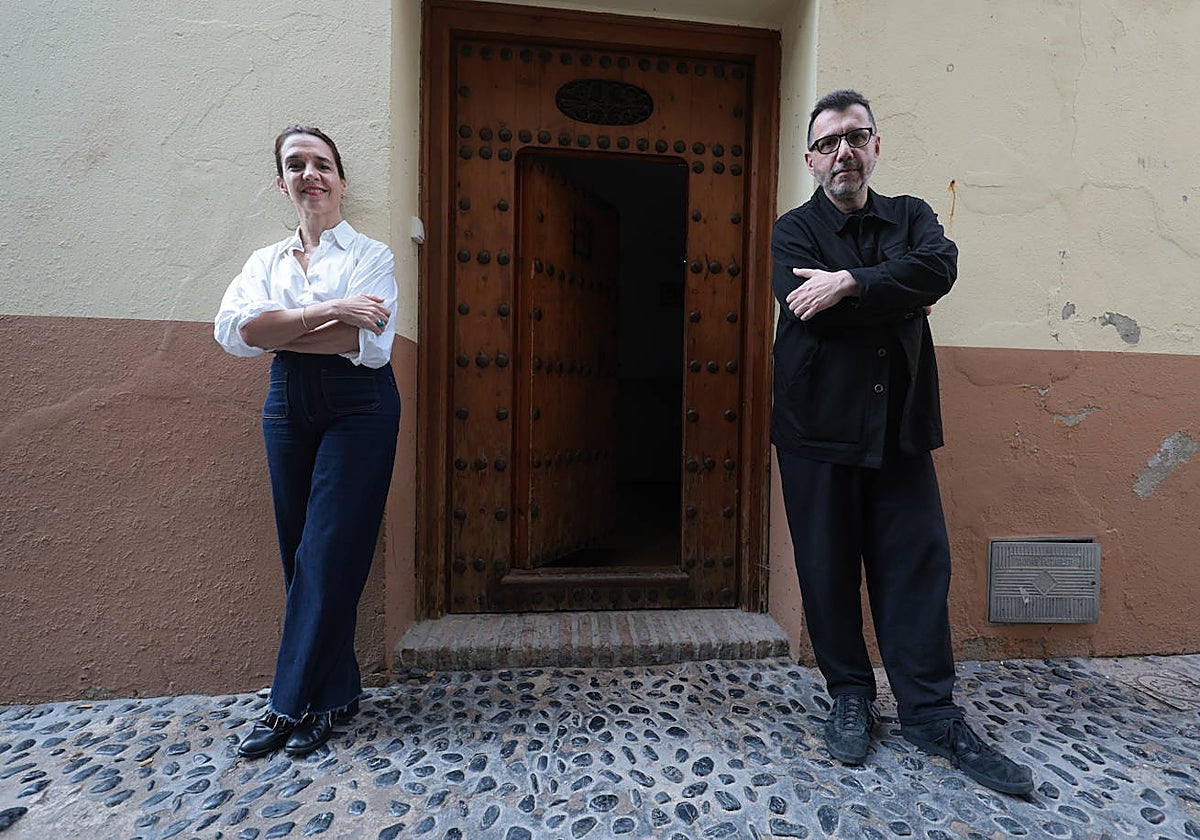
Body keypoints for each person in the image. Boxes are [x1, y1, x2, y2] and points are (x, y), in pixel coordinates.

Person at [771, 90, 1033, 795]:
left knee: (917, 570)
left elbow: (939, 269)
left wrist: (852, 283)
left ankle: (929, 715)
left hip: (901, 432)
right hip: (816, 431)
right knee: (827, 571)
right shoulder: (791, 232)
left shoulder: (913, 216)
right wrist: (895, 295)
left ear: (875, 147)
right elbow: (809, 314)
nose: (843, 153)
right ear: (811, 159)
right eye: (828, 144)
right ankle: (849, 696)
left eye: (856, 137)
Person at [214, 125, 400, 759]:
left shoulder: (373, 255)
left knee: (327, 551)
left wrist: (285, 326)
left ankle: (287, 702)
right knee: (300, 553)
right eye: (296, 164)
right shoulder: (263, 262)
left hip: (360, 405)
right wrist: (329, 313)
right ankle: (335, 695)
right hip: (287, 404)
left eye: (322, 163)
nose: (310, 174)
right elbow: (237, 332)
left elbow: (365, 340)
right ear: (282, 181)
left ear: (341, 179)